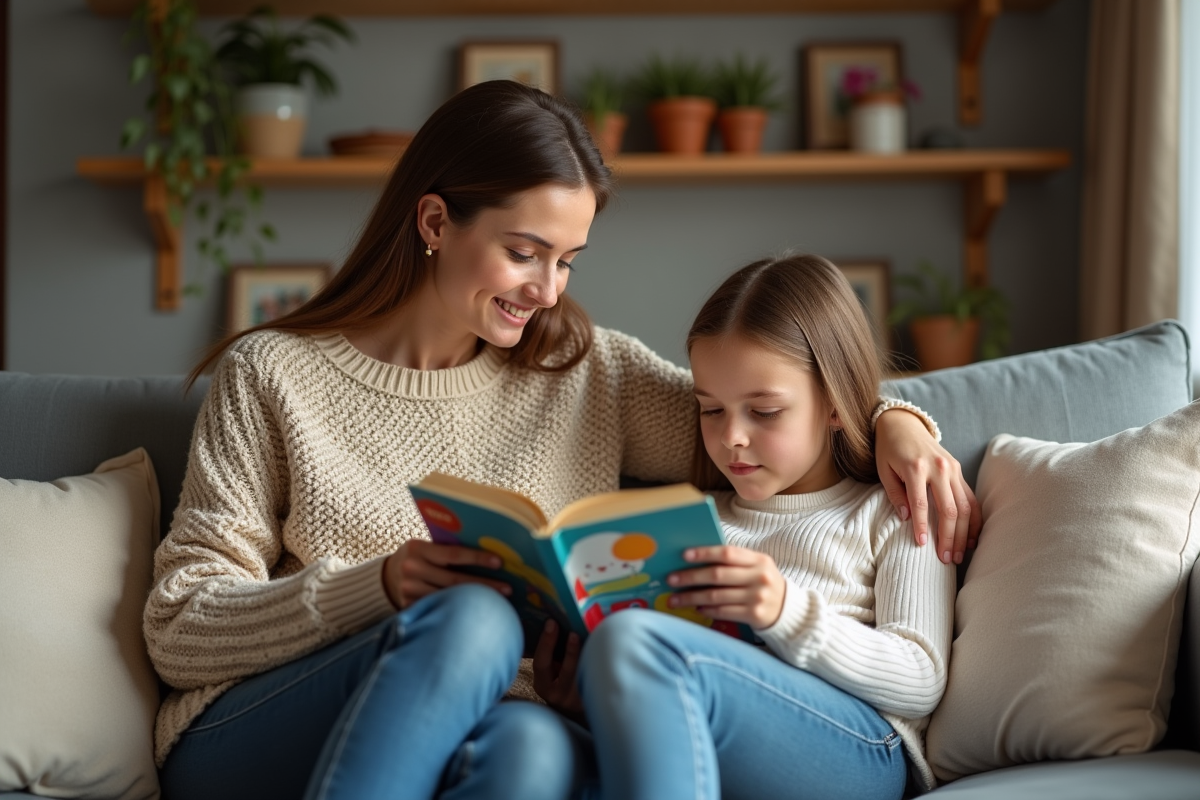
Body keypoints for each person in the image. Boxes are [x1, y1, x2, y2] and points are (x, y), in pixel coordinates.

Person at [145, 81, 974, 800]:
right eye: (523, 253)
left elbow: (764, 405)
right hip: (257, 731)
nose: (547, 291)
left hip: (499, 721)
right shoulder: (272, 375)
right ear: (435, 220)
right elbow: (179, 630)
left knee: (535, 752)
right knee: (471, 616)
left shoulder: (586, 372)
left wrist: (895, 423)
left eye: (568, 261)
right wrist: (381, 586)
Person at [571, 254, 957, 800]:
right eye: (710, 410)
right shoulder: (690, 518)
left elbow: (920, 679)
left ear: (833, 404)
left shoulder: (892, 505)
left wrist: (785, 610)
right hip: (714, 728)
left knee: (636, 642)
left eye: (765, 411)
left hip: (861, 745)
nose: (732, 437)